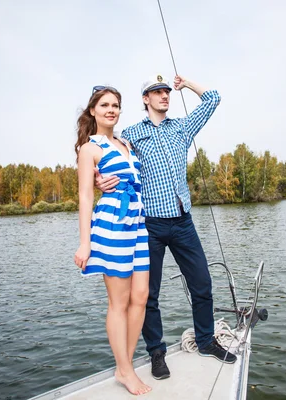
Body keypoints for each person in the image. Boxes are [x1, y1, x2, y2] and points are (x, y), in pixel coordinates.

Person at [95, 74, 237, 381]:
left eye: (165, 91)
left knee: (202, 284)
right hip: (150, 225)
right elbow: (103, 152)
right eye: (156, 92)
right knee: (148, 295)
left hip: (183, 221)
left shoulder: (182, 128)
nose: (164, 95)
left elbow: (212, 98)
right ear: (145, 99)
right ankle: (156, 353)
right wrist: (98, 178)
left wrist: (186, 84)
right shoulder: (131, 134)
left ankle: (205, 340)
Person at [74, 86, 151, 395]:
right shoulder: (89, 148)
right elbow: (84, 196)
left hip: (138, 225)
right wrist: (85, 242)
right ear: (93, 110)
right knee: (118, 302)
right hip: (111, 225)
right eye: (104, 104)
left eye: (115, 105)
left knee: (141, 296)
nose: (111, 109)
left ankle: (125, 364)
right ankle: (125, 369)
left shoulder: (126, 143)